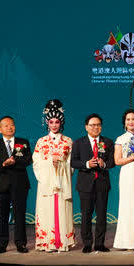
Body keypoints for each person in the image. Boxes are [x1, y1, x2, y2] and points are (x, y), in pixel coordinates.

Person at [32, 100, 75, 252]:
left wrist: (61, 164)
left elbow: (71, 164)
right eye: (51, 122)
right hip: (47, 183)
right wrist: (50, 162)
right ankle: (47, 243)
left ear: (61, 122)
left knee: (63, 210)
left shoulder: (68, 141)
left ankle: (63, 242)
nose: (54, 125)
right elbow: (36, 163)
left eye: (57, 122)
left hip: (62, 182)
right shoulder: (41, 142)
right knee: (46, 211)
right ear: (47, 123)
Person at [0, 116, 32, 253]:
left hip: (20, 183)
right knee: (2, 216)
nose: (9, 127)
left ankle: (21, 243)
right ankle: (1, 244)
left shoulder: (23, 142)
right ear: (0, 129)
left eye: (12, 124)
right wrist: (3, 164)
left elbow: (28, 159)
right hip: (1, 184)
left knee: (20, 215)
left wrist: (15, 162)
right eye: (6, 125)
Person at [72, 113, 114, 253]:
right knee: (86, 215)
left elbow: (112, 162)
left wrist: (104, 164)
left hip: (102, 183)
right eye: (92, 125)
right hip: (85, 184)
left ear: (101, 127)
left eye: (98, 125)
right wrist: (87, 164)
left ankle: (100, 244)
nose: (95, 127)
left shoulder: (108, 142)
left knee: (101, 215)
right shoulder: (79, 143)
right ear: (86, 127)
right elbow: (73, 162)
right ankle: (87, 244)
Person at [112, 109, 134, 250]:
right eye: (128, 119)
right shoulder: (120, 139)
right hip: (127, 173)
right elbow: (117, 161)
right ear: (124, 122)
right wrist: (133, 157)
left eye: (133, 119)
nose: (131, 122)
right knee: (128, 206)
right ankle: (127, 241)